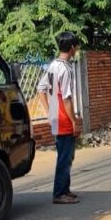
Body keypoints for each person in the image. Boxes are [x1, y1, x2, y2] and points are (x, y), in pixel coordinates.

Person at [36, 32, 81, 205]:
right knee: (65, 156)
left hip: (57, 117)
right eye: (76, 47)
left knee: (65, 155)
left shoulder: (53, 65)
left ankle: (64, 190)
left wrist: (49, 111)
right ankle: (59, 193)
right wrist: (74, 121)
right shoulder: (65, 68)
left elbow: (40, 88)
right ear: (71, 48)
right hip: (63, 119)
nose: (76, 50)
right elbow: (66, 98)